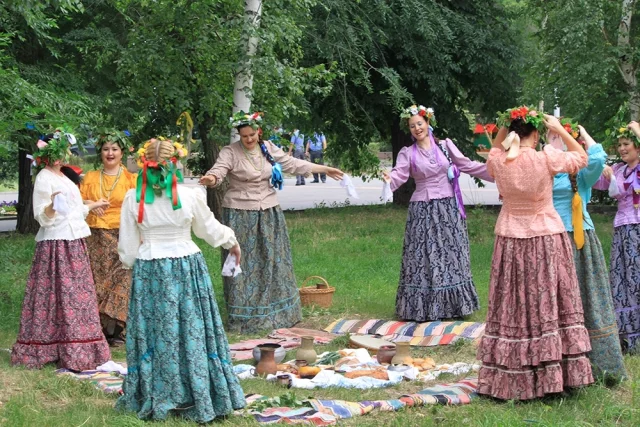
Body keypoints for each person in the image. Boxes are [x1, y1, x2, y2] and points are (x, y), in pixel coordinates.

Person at [116, 137, 245, 423]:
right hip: (186, 266)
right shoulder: (189, 195)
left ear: (143, 163)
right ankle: (197, 391)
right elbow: (209, 229)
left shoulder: (132, 197)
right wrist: (231, 242)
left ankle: (157, 391)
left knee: (156, 330)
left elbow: (126, 246)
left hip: (150, 269)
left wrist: (130, 264)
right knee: (191, 328)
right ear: (176, 163)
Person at [477, 107, 593, 400]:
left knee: (514, 303)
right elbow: (582, 157)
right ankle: (552, 375)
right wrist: (562, 129)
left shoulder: (500, 160)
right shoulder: (546, 157)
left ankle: (513, 373)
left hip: (511, 238)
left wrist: (505, 127)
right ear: (537, 133)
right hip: (545, 235)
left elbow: (494, 150)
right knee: (546, 302)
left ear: (512, 132)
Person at [199, 111, 344, 333]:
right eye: (244, 135)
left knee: (274, 259)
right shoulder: (230, 152)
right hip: (240, 213)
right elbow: (219, 170)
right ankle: (244, 316)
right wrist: (212, 179)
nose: (249, 139)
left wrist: (324, 168)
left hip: (269, 211)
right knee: (243, 262)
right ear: (239, 134)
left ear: (259, 131)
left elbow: (293, 164)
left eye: (252, 134)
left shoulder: (267, 148)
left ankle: (279, 313)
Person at [11, 131, 111, 371]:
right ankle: (53, 346)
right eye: (56, 151)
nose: (61, 155)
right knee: (58, 295)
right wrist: (52, 208)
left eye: (63, 150)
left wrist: (93, 205)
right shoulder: (45, 177)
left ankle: (80, 346)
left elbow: (74, 209)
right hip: (56, 244)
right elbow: (42, 216)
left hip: (74, 241)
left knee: (77, 295)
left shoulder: (65, 176)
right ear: (47, 154)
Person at [383, 105, 491, 321]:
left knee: (452, 253)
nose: (416, 128)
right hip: (422, 210)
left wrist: (498, 172)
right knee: (423, 256)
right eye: (412, 126)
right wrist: (388, 179)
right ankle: (423, 308)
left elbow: (467, 165)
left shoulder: (445, 146)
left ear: (428, 122)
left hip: (448, 208)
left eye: (419, 124)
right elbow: (399, 175)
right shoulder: (408, 153)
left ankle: (455, 306)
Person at [550, 121, 627, 381]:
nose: (553, 140)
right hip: (549, 239)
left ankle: (596, 365)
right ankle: (557, 365)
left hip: (579, 239)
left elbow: (597, 157)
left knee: (586, 298)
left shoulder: (580, 174)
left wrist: (580, 131)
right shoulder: (542, 169)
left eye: (557, 137)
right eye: (548, 137)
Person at [80, 131, 137, 346]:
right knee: (98, 280)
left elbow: (139, 208)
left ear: (122, 153)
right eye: (106, 149)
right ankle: (100, 329)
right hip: (95, 235)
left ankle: (119, 329)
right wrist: (91, 205)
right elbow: (76, 200)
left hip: (123, 234)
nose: (110, 153)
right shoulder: (90, 177)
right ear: (100, 153)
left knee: (123, 277)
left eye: (114, 149)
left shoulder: (132, 179)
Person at [593, 121, 640, 353]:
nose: (622, 148)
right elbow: (595, 179)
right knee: (622, 279)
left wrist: (638, 130)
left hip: (638, 229)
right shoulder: (620, 170)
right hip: (622, 230)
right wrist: (601, 168)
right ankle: (628, 336)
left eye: (627, 144)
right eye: (620, 144)